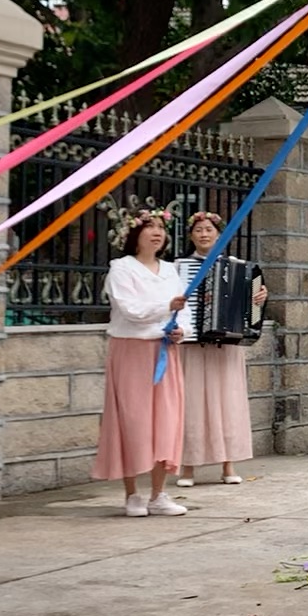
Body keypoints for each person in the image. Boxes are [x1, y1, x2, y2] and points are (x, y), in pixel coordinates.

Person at [97, 208, 191, 517]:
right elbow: (129, 309)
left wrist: (181, 331)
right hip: (132, 351)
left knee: (165, 421)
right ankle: (132, 494)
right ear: (133, 234)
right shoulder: (121, 268)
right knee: (133, 421)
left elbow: (184, 313)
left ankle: (159, 493)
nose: (156, 232)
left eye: (161, 227)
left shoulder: (170, 270)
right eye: (149, 226)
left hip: (165, 350)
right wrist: (166, 306)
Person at [174, 211, 267, 487]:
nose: (204, 234)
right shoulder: (179, 267)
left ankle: (228, 466)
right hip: (192, 345)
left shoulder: (239, 267)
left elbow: (253, 306)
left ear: (220, 234)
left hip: (226, 347)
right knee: (191, 404)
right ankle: (188, 468)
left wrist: (259, 297)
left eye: (209, 230)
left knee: (229, 403)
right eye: (198, 230)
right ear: (191, 235)